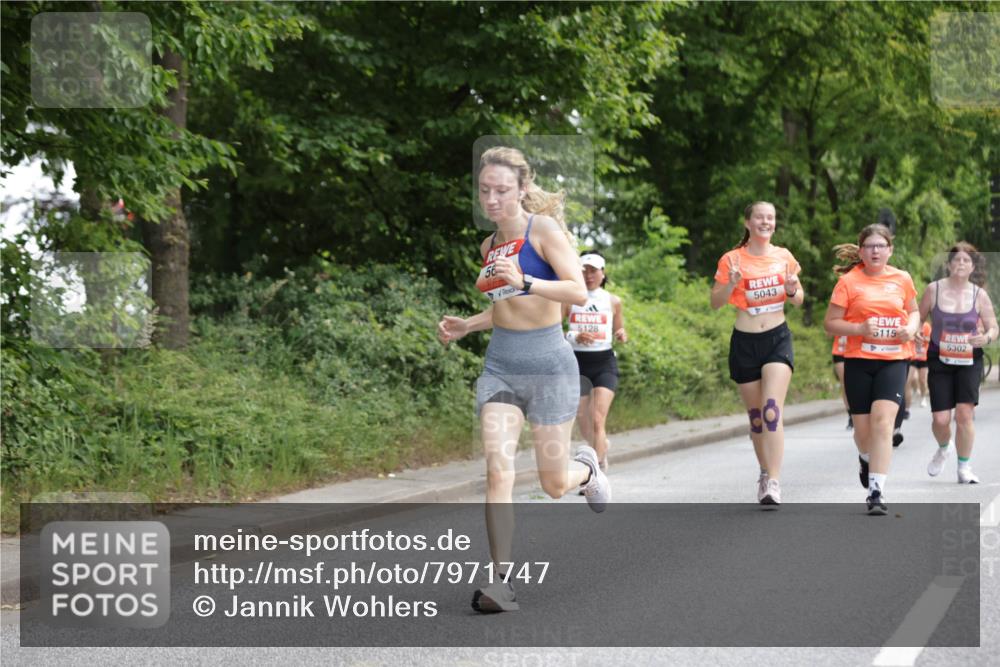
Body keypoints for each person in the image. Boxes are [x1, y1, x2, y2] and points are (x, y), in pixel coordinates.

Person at [437, 146, 610, 613]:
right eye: (484, 190)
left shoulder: (543, 231)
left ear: (522, 188)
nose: (491, 199)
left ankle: (587, 471)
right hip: (501, 366)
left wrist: (527, 281)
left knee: (553, 484)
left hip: (550, 366)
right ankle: (501, 583)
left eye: (501, 190)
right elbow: (504, 308)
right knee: (498, 470)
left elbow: (577, 291)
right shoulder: (488, 247)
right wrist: (467, 325)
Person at [711, 201, 803, 507]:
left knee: (771, 411)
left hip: (777, 338)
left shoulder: (784, 256)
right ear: (748, 222)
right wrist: (731, 284)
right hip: (745, 341)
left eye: (771, 218)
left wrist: (791, 289)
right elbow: (715, 302)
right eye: (760, 217)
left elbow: (799, 298)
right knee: (756, 419)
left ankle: (774, 481)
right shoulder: (732, 259)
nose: (766, 222)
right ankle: (764, 471)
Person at [824, 224, 919, 515]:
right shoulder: (848, 282)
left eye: (881, 246)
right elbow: (830, 324)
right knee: (863, 433)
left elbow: (914, 311)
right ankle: (866, 458)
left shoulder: (902, 278)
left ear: (890, 250)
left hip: (894, 360)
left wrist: (911, 329)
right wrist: (859, 329)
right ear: (861, 251)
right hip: (859, 361)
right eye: (869, 246)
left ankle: (876, 491)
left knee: (883, 423)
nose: (875, 251)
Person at [921, 242, 998, 484]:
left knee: (965, 415)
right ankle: (944, 447)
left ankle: (964, 467)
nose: (961, 263)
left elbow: (993, 327)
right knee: (940, 420)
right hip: (939, 359)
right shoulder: (933, 290)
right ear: (948, 264)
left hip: (970, 360)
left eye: (966, 260)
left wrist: (986, 338)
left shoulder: (979, 295)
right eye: (957, 259)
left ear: (973, 267)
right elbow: (917, 318)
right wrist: (915, 333)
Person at [563, 252, 627, 473]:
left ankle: (595, 472)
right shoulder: (568, 299)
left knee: (598, 419)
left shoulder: (613, 301)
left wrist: (621, 334)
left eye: (593, 271)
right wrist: (575, 336)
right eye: (584, 271)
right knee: (584, 422)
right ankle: (601, 448)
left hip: (604, 363)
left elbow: (619, 328)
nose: (589, 275)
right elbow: (554, 332)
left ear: (603, 273)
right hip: (577, 364)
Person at [831, 334, 853, 430]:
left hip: (858, 350)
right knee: (845, 384)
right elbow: (829, 333)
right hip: (840, 350)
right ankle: (850, 415)